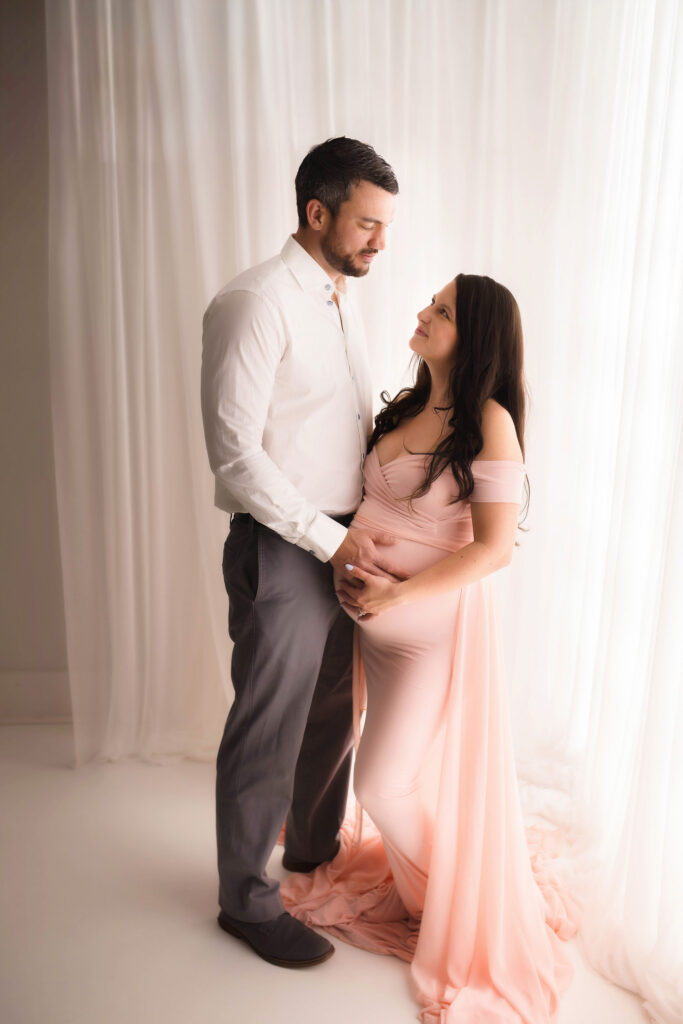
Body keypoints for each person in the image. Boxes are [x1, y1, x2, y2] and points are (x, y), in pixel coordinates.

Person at [281, 275, 580, 1021]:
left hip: (425, 640)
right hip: (369, 630)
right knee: (368, 772)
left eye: (441, 311)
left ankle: (451, 904)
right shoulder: (410, 405)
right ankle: (439, 893)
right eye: (430, 302)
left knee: (382, 784)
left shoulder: (489, 422)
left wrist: (393, 594)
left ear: (473, 335)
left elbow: (492, 552)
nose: (421, 312)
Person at [200, 137, 403, 969]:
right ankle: (243, 904)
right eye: (366, 223)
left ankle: (312, 856)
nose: (379, 243)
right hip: (285, 543)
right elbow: (236, 454)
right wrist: (328, 538)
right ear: (316, 213)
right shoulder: (253, 301)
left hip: (342, 539)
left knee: (333, 711)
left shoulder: (335, 295)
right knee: (269, 723)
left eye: (384, 225)